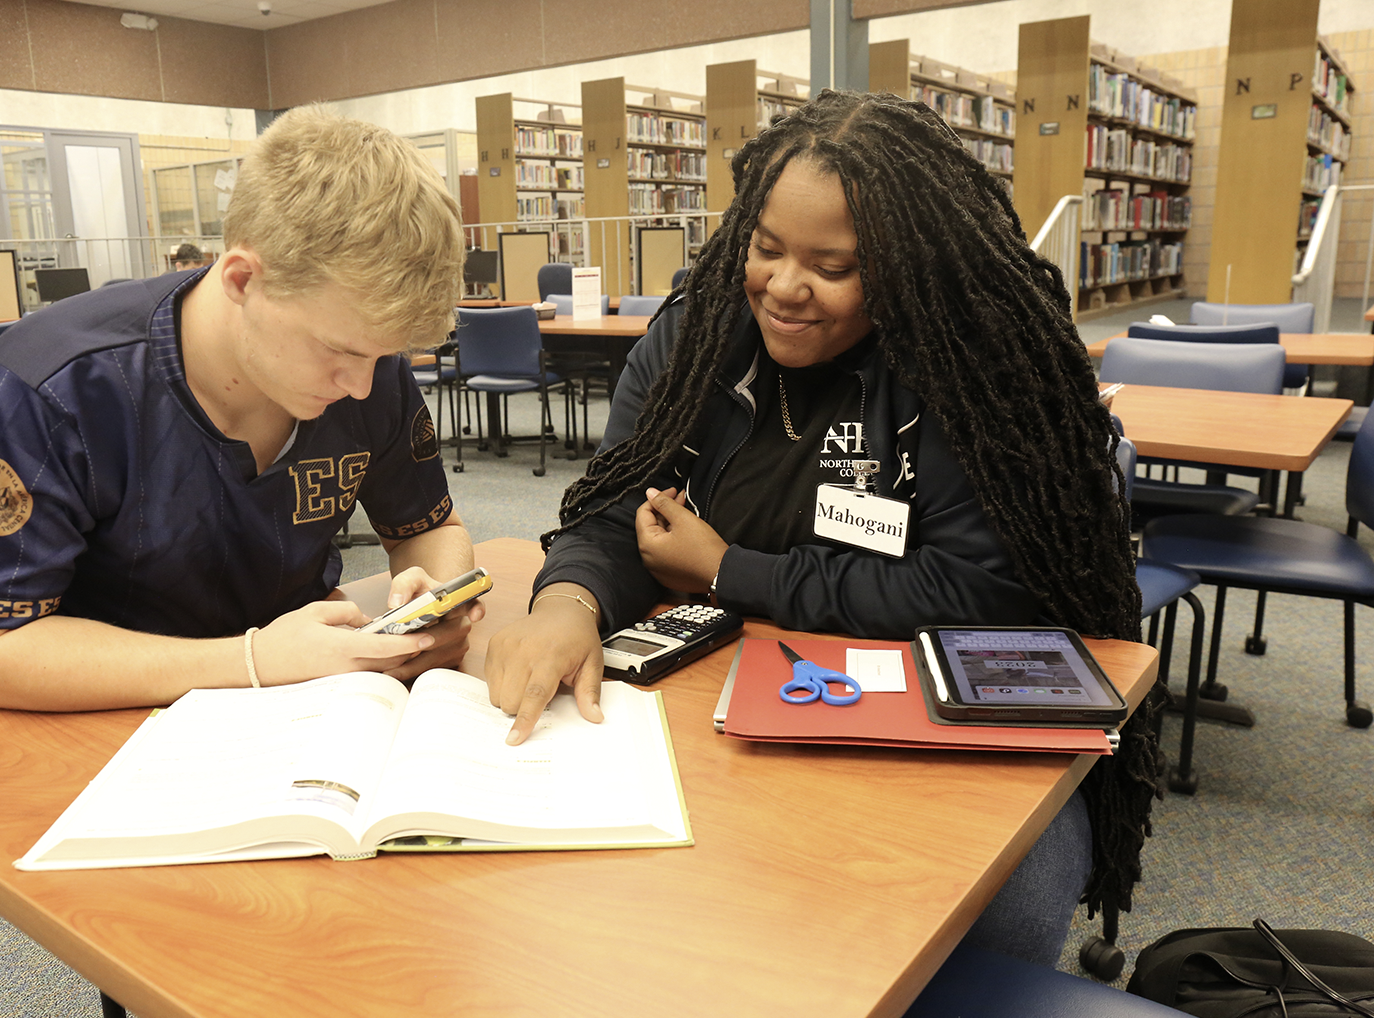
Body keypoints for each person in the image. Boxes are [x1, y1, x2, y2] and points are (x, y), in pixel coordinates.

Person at [485, 90, 1157, 966]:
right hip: (734, 705)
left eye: (833, 267)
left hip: (934, 724)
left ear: (904, 265)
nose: (783, 288)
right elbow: (617, 507)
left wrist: (731, 570)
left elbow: (981, 591)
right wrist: (569, 600)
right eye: (766, 249)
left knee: (997, 918)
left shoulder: (967, 370)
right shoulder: (695, 339)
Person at [0, 105, 481, 712]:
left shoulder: (369, 364)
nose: (360, 386)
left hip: (309, 706)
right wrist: (252, 660)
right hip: (101, 725)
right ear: (243, 280)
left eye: (383, 357)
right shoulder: (58, 384)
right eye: (338, 350)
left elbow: (429, 528)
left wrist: (436, 599)